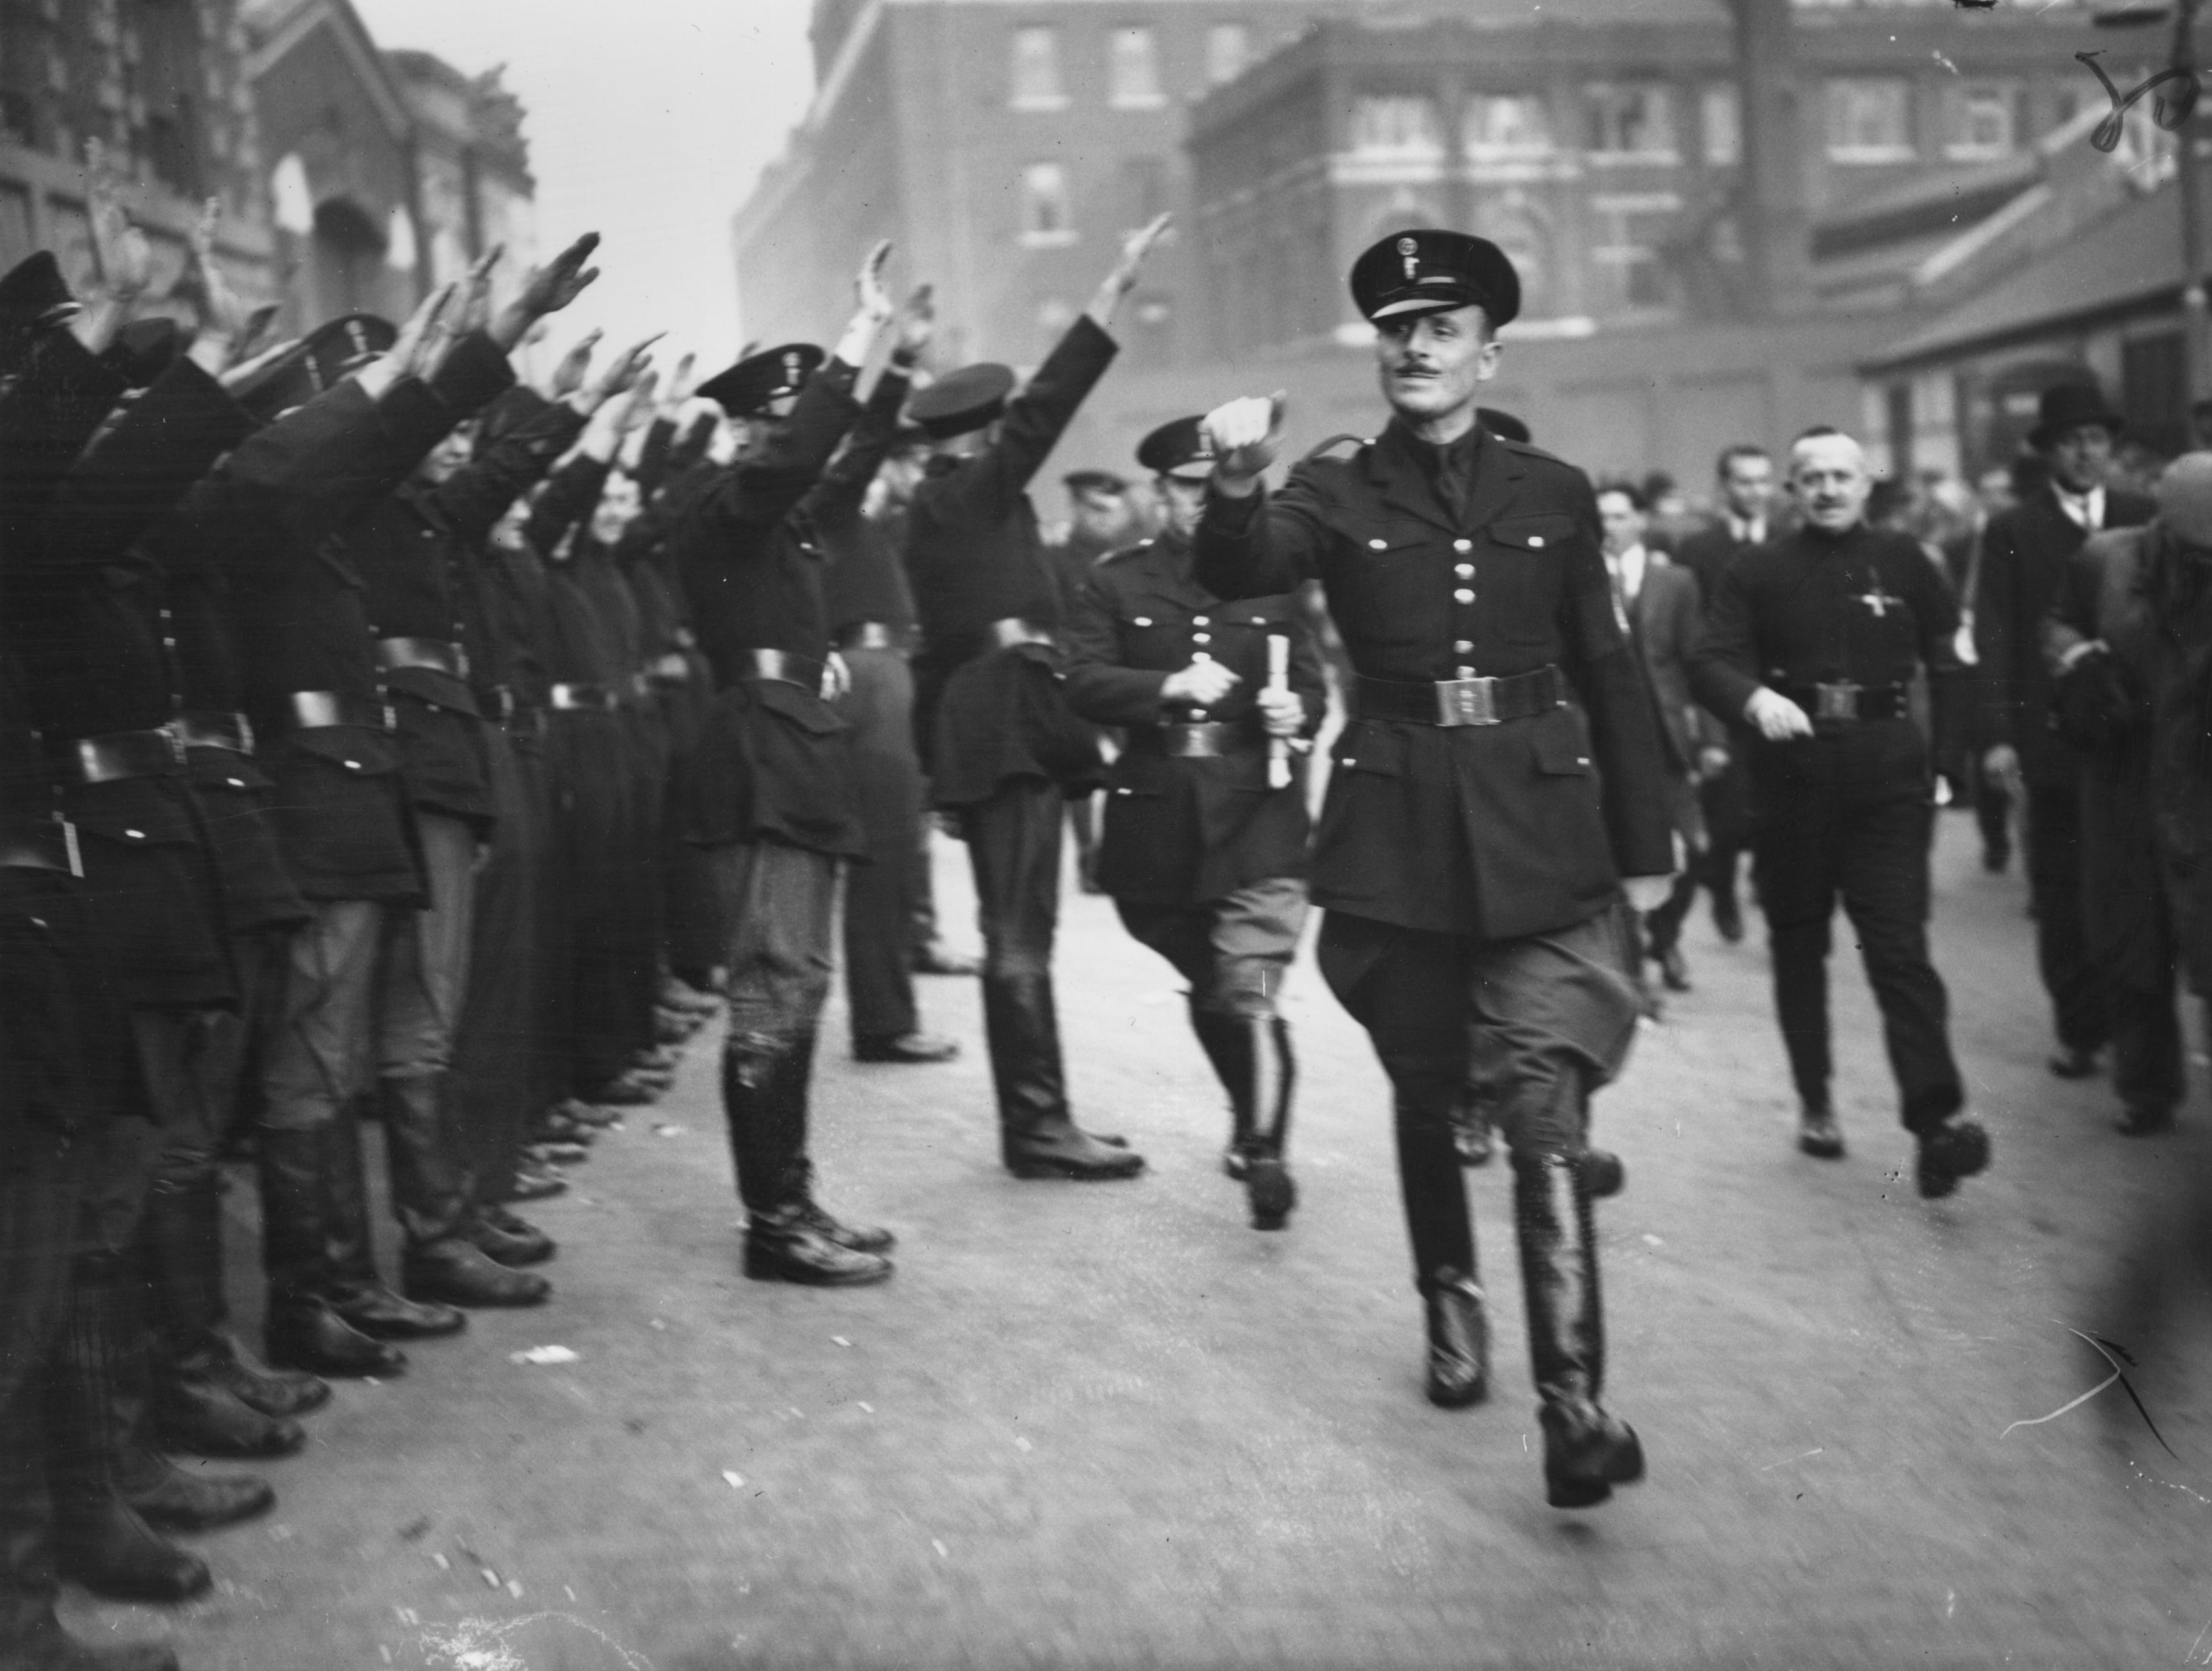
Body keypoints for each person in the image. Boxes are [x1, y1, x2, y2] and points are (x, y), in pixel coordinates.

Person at [1195, 228, 1676, 1509]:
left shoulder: (1555, 492)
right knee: (1422, 1083)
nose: (1416, 346)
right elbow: (1243, 566)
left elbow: (1612, 671)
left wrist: (1647, 852)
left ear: (1488, 351)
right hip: (1397, 830)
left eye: (1443, 327)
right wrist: (1236, 483)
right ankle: (1448, 1299)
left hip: (1538, 829)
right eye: (1397, 329)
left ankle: (1573, 1404)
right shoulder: (1334, 488)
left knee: (1546, 1112)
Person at [902, 214, 1171, 1183]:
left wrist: (940, 768)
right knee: (1021, 934)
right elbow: (1049, 403)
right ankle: (1039, 1126)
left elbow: (934, 652)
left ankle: (1039, 1119)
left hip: (982, 722)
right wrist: (1114, 288)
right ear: (980, 438)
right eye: (1003, 432)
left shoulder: (932, 509)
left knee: (1015, 929)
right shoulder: (971, 493)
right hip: (1009, 717)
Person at [673, 244, 911, 1285]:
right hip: (760, 763)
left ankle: (792, 1196)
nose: (786, 446)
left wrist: (887, 358)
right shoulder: (723, 507)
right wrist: (855, 340)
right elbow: (797, 463)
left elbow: (842, 461)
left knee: (803, 985)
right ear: (737, 433)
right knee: (771, 991)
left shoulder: (786, 525)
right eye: (769, 427)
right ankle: (772, 1225)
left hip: (796, 758)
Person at [1691, 427, 1991, 1196]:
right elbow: (1711, 661)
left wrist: (1949, 763)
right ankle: (1816, 1098)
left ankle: (1934, 1122)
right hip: (1791, 778)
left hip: (1888, 774)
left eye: (1841, 476)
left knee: (1899, 948)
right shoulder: (1756, 568)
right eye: (1811, 477)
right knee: (1800, 948)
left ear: (1867, 484)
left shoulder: (1907, 561)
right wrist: (1756, 701)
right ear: (1792, 489)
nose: (1827, 489)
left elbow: (1951, 661)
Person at [1061, 414, 1326, 1228]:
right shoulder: (1115, 581)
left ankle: (1264, 1147)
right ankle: (1248, 1110)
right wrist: (1166, 689)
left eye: (1215, 487)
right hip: (1158, 816)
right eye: (1184, 487)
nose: (1200, 503)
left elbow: (1315, 687)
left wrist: (1297, 708)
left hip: (1257, 812)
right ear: (1159, 493)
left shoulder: (1273, 582)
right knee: (1210, 984)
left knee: (1248, 985)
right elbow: (1079, 680)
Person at [1975, 383, 2153, 1083]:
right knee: (2063, 890)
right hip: (2052, 742)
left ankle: (2137, 1036)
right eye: (2071, 440)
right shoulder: (2015, 530)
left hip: (2134, 740)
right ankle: (2080, 1029)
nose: (2086, 452)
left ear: (2112, 448)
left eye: (2098, 439)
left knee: (2136, 892)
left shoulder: (2145, 519)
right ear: (2048, 451)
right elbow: (1994, 635)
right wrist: (1995, 734)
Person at [811, 288, 961, 1065]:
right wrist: (899, 359)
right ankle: (883, 1021)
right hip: (866, 678)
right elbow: (863, 451)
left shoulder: (864, 520)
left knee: (895, 852)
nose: (896, 468)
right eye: (888, 458)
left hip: (887, 674)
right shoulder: (829, 507)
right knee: (879, 855)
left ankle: (889, 1011)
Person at [2043, 455, 2212, 1136]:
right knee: (2129, 939)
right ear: (2164, 527)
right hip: (2121, 776)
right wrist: (2078, 656)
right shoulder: (2104, 561)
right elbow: (2057, 622)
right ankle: (2145, 1087)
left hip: (2201, 775)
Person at [1598, 482, 1711, 997]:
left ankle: (1666, 937)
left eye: (1621, 516)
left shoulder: (1676, 581)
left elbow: (1699, 664)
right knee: (1620, 852)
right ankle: (1633, 971)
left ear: (1641, 519)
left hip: (1665, 739)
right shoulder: (1582, 582)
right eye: (1602, 518)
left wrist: (1711, 738)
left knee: (1690, 848)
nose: (1611, 527)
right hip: (1606, 743)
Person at [1670, 444, 1774, 946]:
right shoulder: (1698, 550)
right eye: (1744, 482)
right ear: (1724, 487)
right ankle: (1725, 891)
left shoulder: (1789, 541)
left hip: (1781, 694)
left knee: (1780, 809)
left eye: (1763, 481)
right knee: (1729, 817)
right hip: (1725, 700)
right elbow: (1692, 632)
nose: (1755, 491)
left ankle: (1772, 893)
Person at [1048, 469, 1137, 892]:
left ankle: (1122, 854)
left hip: (1123, 672)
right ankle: (1088, 858)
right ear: (1078, 508)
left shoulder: (1130, 557)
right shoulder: (1056, 557)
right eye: (1096, 510)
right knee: (1081, 768)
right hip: (1074, 673)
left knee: (1136, 759)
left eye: (1111, 511)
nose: (1105, 519)